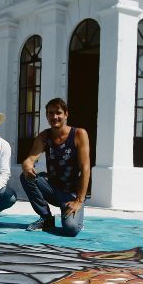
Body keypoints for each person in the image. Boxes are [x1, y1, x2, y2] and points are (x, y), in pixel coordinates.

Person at [20, 98, 91, 237]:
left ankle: (77, 219)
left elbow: (85, 169)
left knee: (70, 229)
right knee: (26, 177)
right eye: (50, 113)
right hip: (52, 189)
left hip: (71, 195)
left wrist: (79, 201)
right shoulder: (44, 136)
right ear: (46, 116)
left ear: (66, 114)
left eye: (58, 112)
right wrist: (27, 165)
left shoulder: (79, 134)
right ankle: (46, 218)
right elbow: (30, 158)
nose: (54, 117)